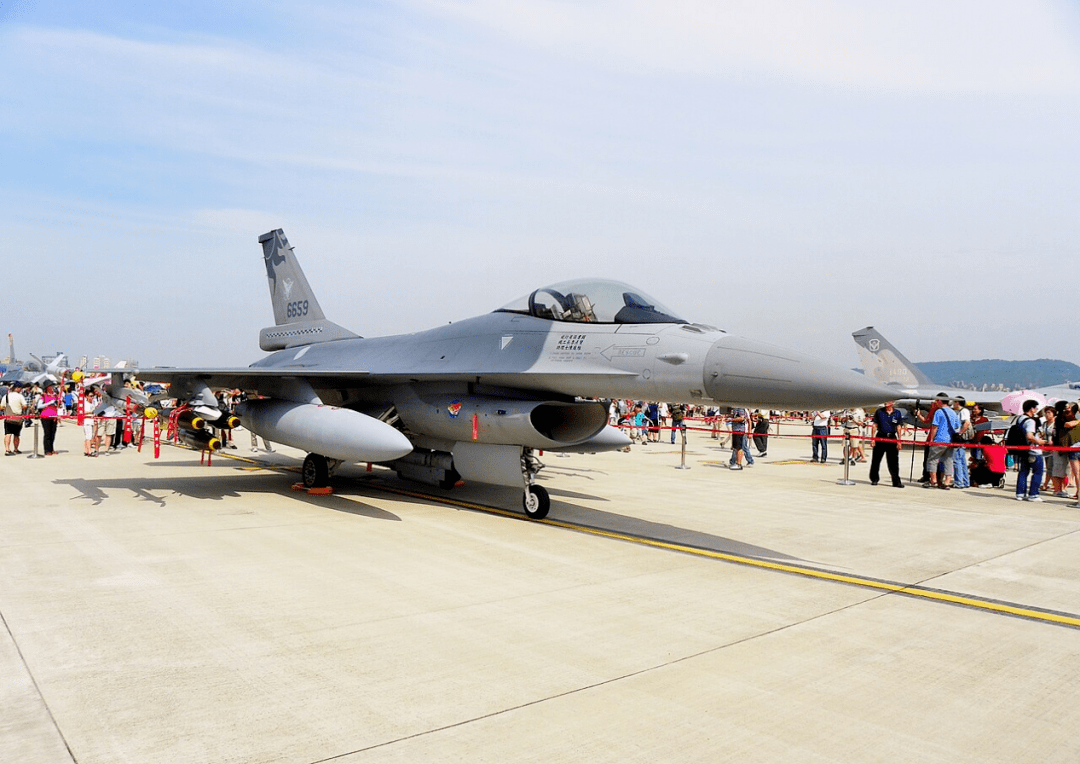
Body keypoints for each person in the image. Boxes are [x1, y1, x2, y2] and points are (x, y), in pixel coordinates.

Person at [868, 400, 905, 488]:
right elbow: (874, 425)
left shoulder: (897, 413)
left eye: (888, 401)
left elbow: (899, 427)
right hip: (880, 436)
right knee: (876, 459)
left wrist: (899, 440)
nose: (886, 403)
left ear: (892, 403)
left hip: (892, 437)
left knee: (893, 461)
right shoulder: (879, 411)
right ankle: (874, 479)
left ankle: (896, 481)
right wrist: (873, 438)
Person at [925, 397, 960, 489]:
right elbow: (957, 426)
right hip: (950, 441)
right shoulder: (954, 413)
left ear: (940, 401)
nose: (936, 403)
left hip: (939, 440)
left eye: (937, 401)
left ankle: (933, 481)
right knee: (948, 461)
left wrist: (931, 439)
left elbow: (934, 427)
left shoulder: (939, 412)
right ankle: (947, 483)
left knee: (933, 460)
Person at [1015, 399, 1046, 502]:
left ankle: (1020, 493)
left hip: (1023, 450)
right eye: (1035, 408)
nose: (1036, 410)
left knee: (1023, 472)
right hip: (1034, 451)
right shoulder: (1030, 421)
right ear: (1032, 409)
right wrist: (1041, 442)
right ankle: (1033, 494)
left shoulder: (1020, 419)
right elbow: (1030, 436)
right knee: (1038, 472)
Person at [3, 381, 27, 455]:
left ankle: (7, 449)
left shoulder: (6, 396)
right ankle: (16, 449)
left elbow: (1, 407)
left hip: (8, 417)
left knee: (8, 434)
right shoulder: (20, 396)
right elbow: (25, 406)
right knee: (16, 435)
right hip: (17, 418)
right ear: (17, 388)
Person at [37, 383, 59, 456]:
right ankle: (47, 450)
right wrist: (49, 403)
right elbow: (39, 406)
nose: (51, 387)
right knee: (47, 434)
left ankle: (52, 449)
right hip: (45, 416)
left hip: (54, 416)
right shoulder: (43, 395)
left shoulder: (56, 395)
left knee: (53, 433)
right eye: (50, 386)